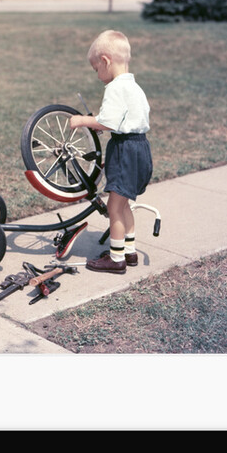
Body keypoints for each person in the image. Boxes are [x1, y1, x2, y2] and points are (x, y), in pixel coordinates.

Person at [69, 29, 153, 274]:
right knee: (124, 204)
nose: (97, 75)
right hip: (140, 148)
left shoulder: (115, 88)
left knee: (114, 207)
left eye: (96, 69)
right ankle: (129, 251)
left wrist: (82, 121)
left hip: (124, 149)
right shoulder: (135, 88)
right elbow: (124, 120)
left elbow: (108, 122)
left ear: (105, 61)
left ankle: (116, 259)